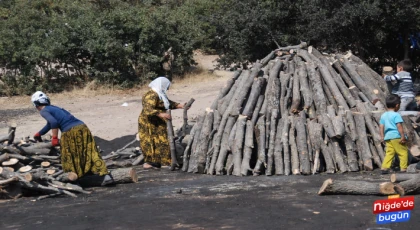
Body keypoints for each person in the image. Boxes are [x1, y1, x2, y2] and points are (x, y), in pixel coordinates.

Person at [31, 91, 112, 185]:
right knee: (90, 151)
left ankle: (75, 180)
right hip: (82, 127)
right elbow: (50, 124)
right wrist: (40, 133)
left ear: (36, 104)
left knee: (68, 156)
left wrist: (54, 138)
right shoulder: (54, 108)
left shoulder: (43, 110)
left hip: (70, 131)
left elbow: (54, 123)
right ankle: (105, 176)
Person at [138, 77, 186, 169]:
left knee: (162, 140)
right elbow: (148, 110)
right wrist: (161, 114)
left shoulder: (159, 94)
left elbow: (166, 103)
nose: (167, 88)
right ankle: (150, 162)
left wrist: (180, 105)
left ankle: (164, 161)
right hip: (148, 123)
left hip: (157, 122)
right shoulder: (151, 95)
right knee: (150, 142)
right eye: (166, 86)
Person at [379, 94, 408, 174]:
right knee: (402, 152)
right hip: (396, 136)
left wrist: (382, 136)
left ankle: (384, 168)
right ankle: (403, 169)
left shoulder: (384, 115)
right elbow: (399, 126)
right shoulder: (396, 115)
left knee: (389, 153)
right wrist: (402, 136)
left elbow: (381, 126)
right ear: (397, 105)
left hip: (388, 137)